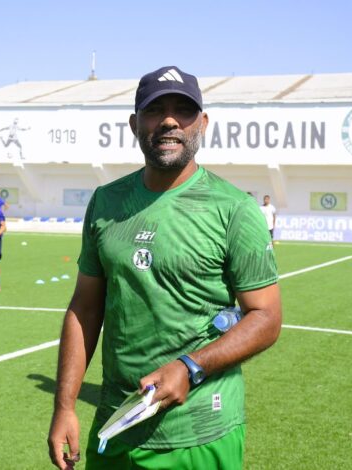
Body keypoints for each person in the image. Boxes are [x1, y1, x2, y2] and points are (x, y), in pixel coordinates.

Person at [47, 66, 281, 470]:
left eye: (183, 111)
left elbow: (266, 317)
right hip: (116, 424)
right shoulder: (106, 202)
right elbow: (85, 307)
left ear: (202, 123)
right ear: (134, 124)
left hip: (198, 431)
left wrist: (190, 368)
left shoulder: (235, 209)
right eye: (155, 110)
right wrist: (65, 406)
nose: (169, 121)